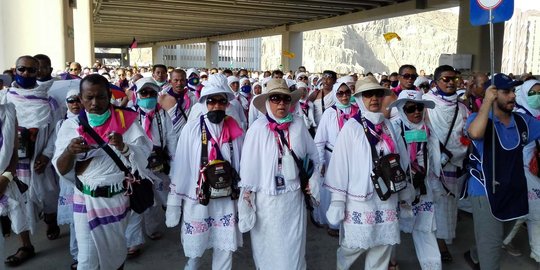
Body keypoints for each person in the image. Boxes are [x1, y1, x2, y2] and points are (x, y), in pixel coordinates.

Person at [53, 74, 152, 270]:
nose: (95, 103)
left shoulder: (127, 122)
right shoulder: (71, 126)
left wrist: (124, 146)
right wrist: (69, 152)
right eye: (89, 98)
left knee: (114, 257)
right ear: (81, 99)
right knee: (87, 261)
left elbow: (142, 159)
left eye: (100, 97)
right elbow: (61, 168)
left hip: (116, 199)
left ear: (109, 96)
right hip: (85, 198)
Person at [323, 76, 405, 270]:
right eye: (368, 95)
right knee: (353, 245)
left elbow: (400, 157)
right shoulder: (351, 127)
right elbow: (340, 165)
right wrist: (337, 200)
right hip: (360, 198)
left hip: (387, 195)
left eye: (377, 94)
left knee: (382, 245)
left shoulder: (388, 125)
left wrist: (404, 192)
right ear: (360, 98)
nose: (374, 99)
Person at [239, 78, 319, 270]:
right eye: (275, 98)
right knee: (268, 247)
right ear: (268, 102)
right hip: (267, 201)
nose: (281, 103)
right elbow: (248, 167)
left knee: (293, 248)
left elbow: (314, 155)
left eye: (285, 99)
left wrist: (313, 180)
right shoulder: (257, 129)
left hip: (293, 199)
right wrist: (246, 198)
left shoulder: (299, 125)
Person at [165, 76, 243, 270]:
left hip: (226, 199)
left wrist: (245, 196)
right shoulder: (191, 129)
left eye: (221, 101)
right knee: (196, 247)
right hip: (199, 197)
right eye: (212, 101)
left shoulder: (235, 130)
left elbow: (242, 164)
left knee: (225, 251)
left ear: (227, 103)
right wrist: (174, 202)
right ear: (205, 103)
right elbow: (181, 166)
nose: (216, 105)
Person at [465, 73, 540, 270]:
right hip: (485, 191)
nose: (512, 96)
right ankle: (483, 256)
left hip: (512, 190)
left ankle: (475, 252)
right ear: (493, 94)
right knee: (491, 255)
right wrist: (486, 104)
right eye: (506, 92)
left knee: (495, 238)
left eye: (513, 91)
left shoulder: (523, 121)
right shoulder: (478, 119)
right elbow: (474, 133)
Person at [3, 55, 62, 266]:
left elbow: (57, 132)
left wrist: (46, 155)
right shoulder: (6, 98)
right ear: (15, 70)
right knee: (18, 205)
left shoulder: (49, 101)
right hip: (14, 164)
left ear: (39, 72)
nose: (26, 74)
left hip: (40, 160)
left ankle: (51, 220)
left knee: (48, 195)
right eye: (22, 69)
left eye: (31, 70)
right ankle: (25, 245)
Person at [388, 90, 441, 269]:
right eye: (410, 108)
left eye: (420, 107)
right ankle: (390, 262)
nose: (416, 112)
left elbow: (434, 158)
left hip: (423, 188)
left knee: (426, 228)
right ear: (402, 109)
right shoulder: (392, 127)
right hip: (399, 188)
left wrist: (434, 182)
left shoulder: (428, 129)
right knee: (392, 227)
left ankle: (432, 266)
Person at [125, 77, 177, 257]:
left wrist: (174, 160)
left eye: (152, 93)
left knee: (156, 197)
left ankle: (152, 228)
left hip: (158, 161)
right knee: (136, 201)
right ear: (137, 95)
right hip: (135, 162)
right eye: (144, 93)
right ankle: (133, 241)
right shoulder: (129, 114)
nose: (148, 96)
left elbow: (171, 137)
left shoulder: (162, 114)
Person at [423, 65, 469, 262]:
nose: (451, 82)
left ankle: (441, 238)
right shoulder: (425, 103)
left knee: (447, 205)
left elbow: (465, 136)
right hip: (431, 164)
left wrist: (454, 154)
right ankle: (436, 244)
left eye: (454, 79)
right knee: (433, 203)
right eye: (446, 79)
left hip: (453, 164)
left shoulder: (463, 108)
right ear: (436, 82)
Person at [312, 81, 358, 237]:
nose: (344, 96)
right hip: (332, 157)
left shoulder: (357, 111)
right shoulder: (330, 113)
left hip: (352, 157)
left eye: (347, 92)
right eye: (340, 93)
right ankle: (333, 223)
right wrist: (321, 162)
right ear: (335, 95)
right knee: (333, 190)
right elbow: (320, 140)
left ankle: (350, 221)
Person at [507, 79, 540, 266]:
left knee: (524, 212)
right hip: (522, 171)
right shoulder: (517, 116)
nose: (537, 97)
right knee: (534, 212)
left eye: (539, 93)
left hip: (535, 171)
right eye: (532, 93)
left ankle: (502, 240)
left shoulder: (538, 115)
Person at [53, 89, 82, 269]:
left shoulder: (90, 121)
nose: (75, 104)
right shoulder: (62, 124)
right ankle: (77, 254)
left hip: (86, 175)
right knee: (74, 218)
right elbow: (58, 150)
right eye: (71, 101)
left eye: (78, 100)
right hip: (68, 177)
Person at [0, 103, 30, 267]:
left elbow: (14, 153)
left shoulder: (8, 112)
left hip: (5, 176)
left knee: (17, 211)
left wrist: (5, 178)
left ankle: (26, 246)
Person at [158, 69, 198, 138]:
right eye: (176, 80)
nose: (179, 83)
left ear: (186, 81)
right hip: (168, 138)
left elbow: (195, 120)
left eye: (182, 80)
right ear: (170, 81)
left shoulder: (192, 98)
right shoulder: (162, 98)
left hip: (186, 137)